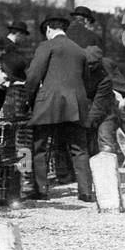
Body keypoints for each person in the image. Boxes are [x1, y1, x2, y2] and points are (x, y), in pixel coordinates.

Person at [23, 14, 94, 202]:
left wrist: (28, 101)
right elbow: (87, 81)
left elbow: (33, 76)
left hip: (49, 104)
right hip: (76, 105)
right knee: (79, 148)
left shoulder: (46, 46)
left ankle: (42, 190)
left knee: (39, 147)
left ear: (48, 30)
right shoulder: (80, 50)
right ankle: (86, 191)